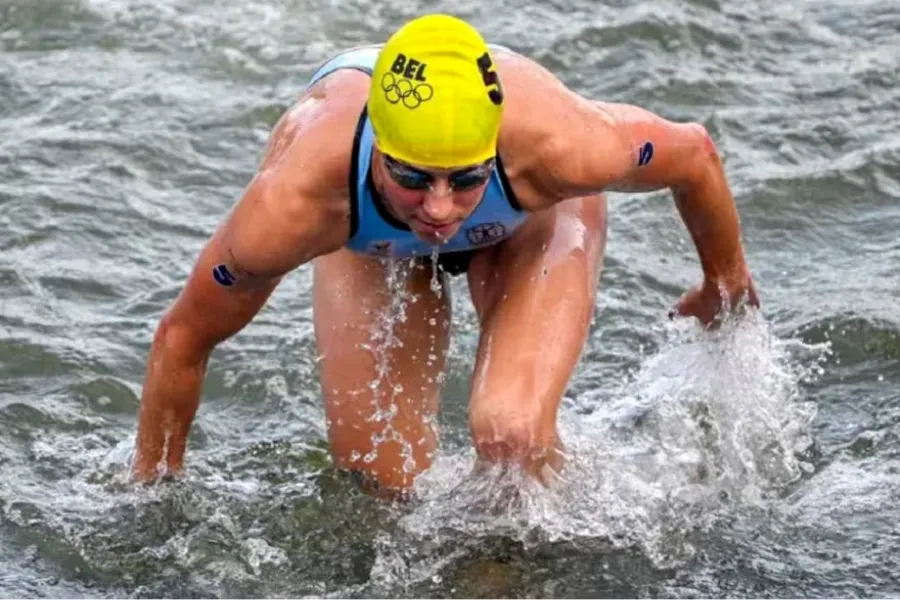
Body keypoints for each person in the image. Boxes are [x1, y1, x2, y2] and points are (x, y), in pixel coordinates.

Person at [131, 13, 759, 496]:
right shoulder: (299, 200)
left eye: (463, 180)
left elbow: (694, 154)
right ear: (378, 152)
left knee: (510, 436)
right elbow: (184, 335)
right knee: (382, 488)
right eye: (413, 178)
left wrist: (723, 284)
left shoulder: (560, 144)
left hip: (529, 218)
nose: (438, 209)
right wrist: (152, 491)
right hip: (368, 241)